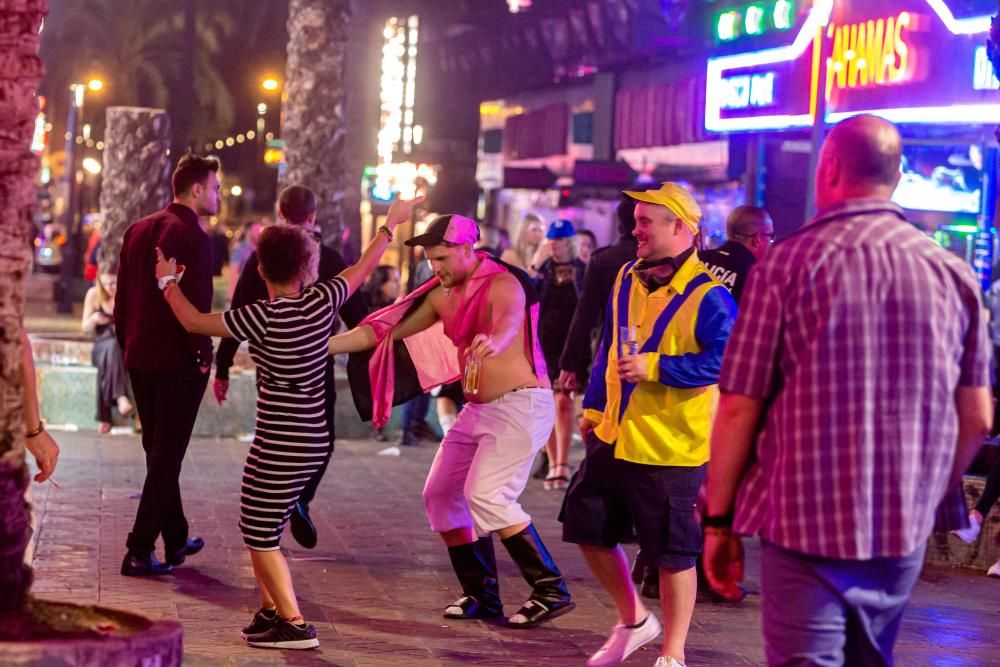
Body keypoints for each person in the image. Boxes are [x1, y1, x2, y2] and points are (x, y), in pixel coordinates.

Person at [704, 115, 993, 666]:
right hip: (901, 520)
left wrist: (720, 520)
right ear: (899, 174)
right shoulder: (952, 274)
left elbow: (740, 404)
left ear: (829, 168)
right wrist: (927, 492)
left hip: (801, 510)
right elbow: (977, 416)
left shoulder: (787, 263)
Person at [155, 196, 419, 649]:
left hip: (280, 441)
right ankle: (271, 611)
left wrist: (167, 283)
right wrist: (390, 225)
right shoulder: (321, 301)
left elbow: (193, 321)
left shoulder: (260, 318)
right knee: (259, 526)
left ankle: (295, 625)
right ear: (307, 269)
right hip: (308, 438)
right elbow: (360, 267)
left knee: (259, 533)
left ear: (261, 270)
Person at [329, 213, 574, 628]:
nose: (435, 267)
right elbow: (383, 333)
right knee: (441, 494)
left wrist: (494, 341)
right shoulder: (441, 294)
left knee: (487, 495)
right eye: (429, 259)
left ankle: (550, 588)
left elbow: (510, 320)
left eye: (441, 257)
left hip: (521, 406)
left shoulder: (503, 282)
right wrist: (318, 345)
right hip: (478, 410)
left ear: (467, 248)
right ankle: (481, 594)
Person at [560, 182, 735, 667]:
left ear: (680, 227)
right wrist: (594, 408)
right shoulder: (626, 279)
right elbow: (609, 352)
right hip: (616, 434)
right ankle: (635, 620)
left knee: (672, 553)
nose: (633, 229)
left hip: (670, 446)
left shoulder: (710, 295)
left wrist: (657, 366)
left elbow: (725, 363)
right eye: (635, 220)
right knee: (586, 523)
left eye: (644, 222)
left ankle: (673, 654)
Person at [214, 185, 368, 549]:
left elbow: (235, 315)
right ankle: (301, 497)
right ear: (313, 217)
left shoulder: (261, 258)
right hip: (318, 364)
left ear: (280, 215)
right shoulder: (329, 259)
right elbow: (361, 318)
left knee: (272, 440)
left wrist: (221, 368)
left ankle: (275, 512)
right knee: (321, 441)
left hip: (271, 364)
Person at [115, 154, 220, 577]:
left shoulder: (137, 230)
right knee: (165, 455)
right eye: (214, 188)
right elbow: (196, 305)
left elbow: (122, 301)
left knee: (158, 453)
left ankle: (175, 537)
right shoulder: (193, 236)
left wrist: (129, 346)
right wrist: (202, 356)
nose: (216, 195)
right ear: (196, 189)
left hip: (140, 356)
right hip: (178, 361)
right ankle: (140, 548)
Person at [535, 219, 586, 490]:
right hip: (543, 344)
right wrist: (535, 265)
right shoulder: (542, 270)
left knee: (564, 403)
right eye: (551, 241)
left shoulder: (581, 270)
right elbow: (527, 297)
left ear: (569, 243)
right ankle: (552, 462)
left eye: (559, 241)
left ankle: (562, 464)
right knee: (545, 404)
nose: (554, 246)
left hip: (569, 345)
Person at [81, 261, 132, 433]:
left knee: (113, 352)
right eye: (105, 283)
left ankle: (105, 418)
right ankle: (120, 396)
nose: (109, 287)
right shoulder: (94, 294)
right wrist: (95, 318)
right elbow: (84, 327)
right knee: (111, 348)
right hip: (100, 346)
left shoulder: (127, 295)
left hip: (120, 347)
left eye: (113, 283)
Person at [698, 205, 773, 304]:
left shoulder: (697, 259)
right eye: (770, 236)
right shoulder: (755, 277)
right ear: (757, 239)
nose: (771, 242)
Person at [227, 220, 261, 297]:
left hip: (256, 291)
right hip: (244, 290)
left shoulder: (258, 248)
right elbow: (233, 271)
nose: (258, 232)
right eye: (256, 230)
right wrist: (231, 293)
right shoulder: (239, 248)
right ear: (248, 231)